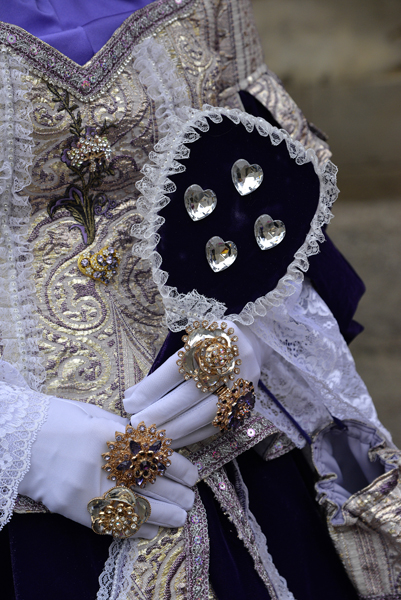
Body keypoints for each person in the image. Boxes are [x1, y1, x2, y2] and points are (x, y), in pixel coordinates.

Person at [1, 2, 399, 599]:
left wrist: (253, 316)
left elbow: (267, 163)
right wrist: (18, 438)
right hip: (33, 516)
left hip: (229, 438)